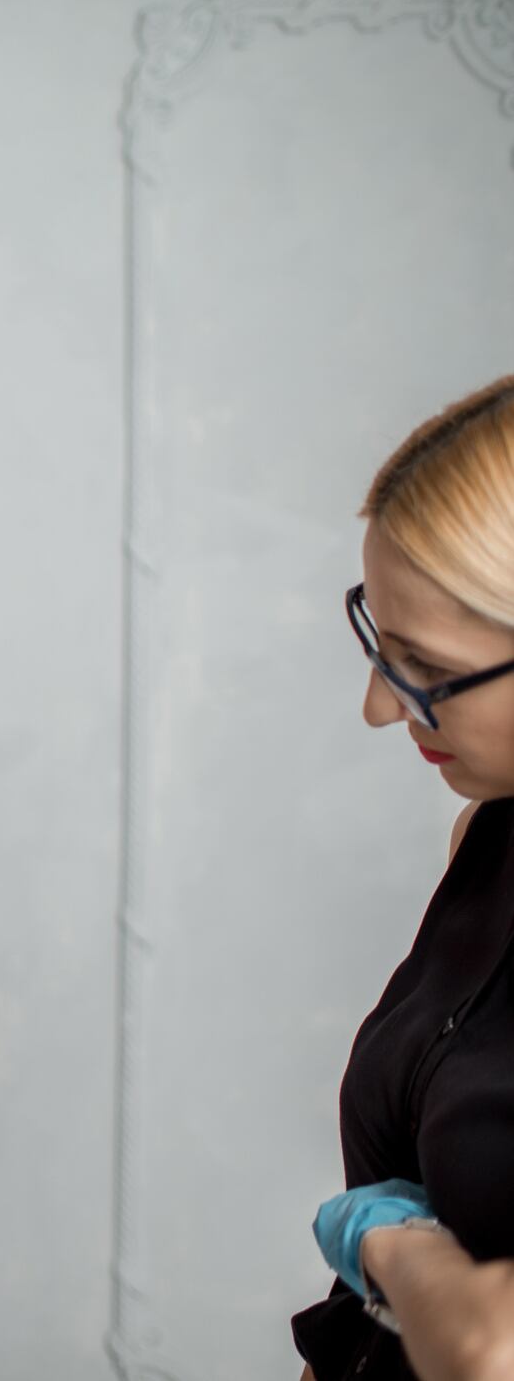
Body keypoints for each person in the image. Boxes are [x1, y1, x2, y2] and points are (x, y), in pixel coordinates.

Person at [292, 375, 514, 1381]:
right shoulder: (489, 835)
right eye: (380, 641)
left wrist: (386, 1245)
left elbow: (488, 1348)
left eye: (421, 664)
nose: (382, 708)